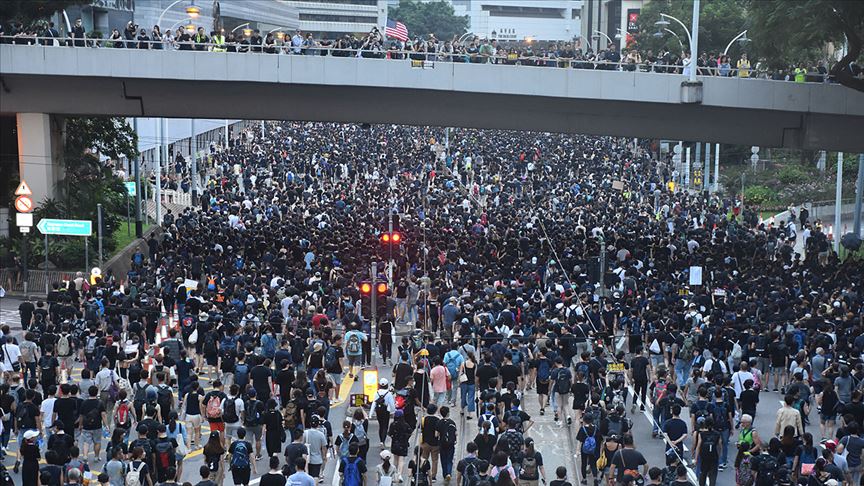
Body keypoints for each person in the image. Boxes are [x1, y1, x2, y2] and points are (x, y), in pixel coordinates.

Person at [693, 418, 720, 486]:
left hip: (704, 457)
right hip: (714, 457)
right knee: (713, 475)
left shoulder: (702, 434)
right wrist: (718, 455)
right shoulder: (717, 434)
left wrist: (696, 458)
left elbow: (698, 446)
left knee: (703, 473)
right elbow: (719, 446)